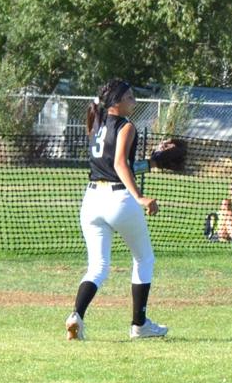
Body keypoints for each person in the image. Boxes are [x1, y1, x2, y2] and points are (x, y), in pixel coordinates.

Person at [65, 79, 168, 341]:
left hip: (91, 200)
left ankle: (76, 315)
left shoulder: (96, 124)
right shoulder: (127, 126)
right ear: (117, 102)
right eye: (130, 97)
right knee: (144, 259)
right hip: (119, 199)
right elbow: (121, 166)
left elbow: (114, 164)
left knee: (98, 266)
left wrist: (152, 162)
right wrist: (141, 197)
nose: (134, 101)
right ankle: (139, 324)